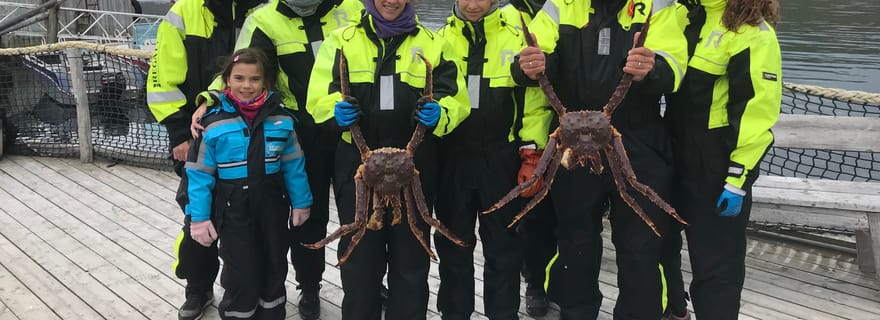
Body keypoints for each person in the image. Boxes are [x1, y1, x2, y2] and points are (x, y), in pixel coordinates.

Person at [513, 0, 688, 318]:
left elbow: (675, 67)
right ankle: (576, 312)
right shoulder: (560, 6)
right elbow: (532, 54)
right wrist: (527, 65)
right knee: (574, 239)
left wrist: (654, 68)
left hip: (638, 142)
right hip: (572, 142)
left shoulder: (657, 6)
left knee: (641, 244)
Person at [188, 0, 362, 318]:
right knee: (310, 217)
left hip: (351, 128)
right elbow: (242, 67)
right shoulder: (264, 20)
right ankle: (309, 286)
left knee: (361, 213)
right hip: (301, 130)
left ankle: (365, 285)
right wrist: (211, 97)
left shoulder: (350, 8)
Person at [305, 0, 470, 317]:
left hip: (415, 164)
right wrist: (333, 112)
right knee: (360, 259)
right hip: (357, 163)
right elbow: (317, 97)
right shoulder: (342, 39)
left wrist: (441, 115)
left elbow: (455, 98)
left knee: (412, 259)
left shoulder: (434, 43)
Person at [145, 0, 265, 319]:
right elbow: (162, 82)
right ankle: (198, 288)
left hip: (251, 137)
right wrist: (178, 134)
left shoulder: (264, 10)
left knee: (250, 220)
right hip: (197, 137)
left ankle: (248, 291)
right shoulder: (183, 12)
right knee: (198, 214)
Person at [664, 0, 781, 319]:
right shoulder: (681, 16)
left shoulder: (753, 32)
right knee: (657, 242)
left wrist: (737, 179)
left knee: (716, 264)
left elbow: (757, 113)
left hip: (715, 162)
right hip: (668, 151)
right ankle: (674, 309)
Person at [434, 0, 550, 319]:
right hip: (452, 158)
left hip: (501, 158)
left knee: (504, 247)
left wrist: (532, 151)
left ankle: (503, 314)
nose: (474, 5)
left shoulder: (518, 36)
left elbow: (535, 100)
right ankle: (454, 313)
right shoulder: (437, 40)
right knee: (453, 244)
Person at [185, 47, 313, 319]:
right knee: (240, 270)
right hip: (232, 211)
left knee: (275, 264)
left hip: (272, 207)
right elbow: (199, 175)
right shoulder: (212, 124)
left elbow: (293, 165)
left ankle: (272, 313)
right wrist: (198, 218)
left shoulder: (283, 120)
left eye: (254, 79)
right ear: (226, 81)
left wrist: (302, 203)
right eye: (239, 78)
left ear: (266, 82)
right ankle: (238, 313)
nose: (247, 85)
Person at [500, 0, 558, 316]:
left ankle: (556, 280)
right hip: (521, 135)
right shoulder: (507, 17)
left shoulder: (568, 9)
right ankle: (535, 283)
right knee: (533, 218)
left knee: (567, 218)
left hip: (570, 131)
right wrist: (531, 148)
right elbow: (527, 88)